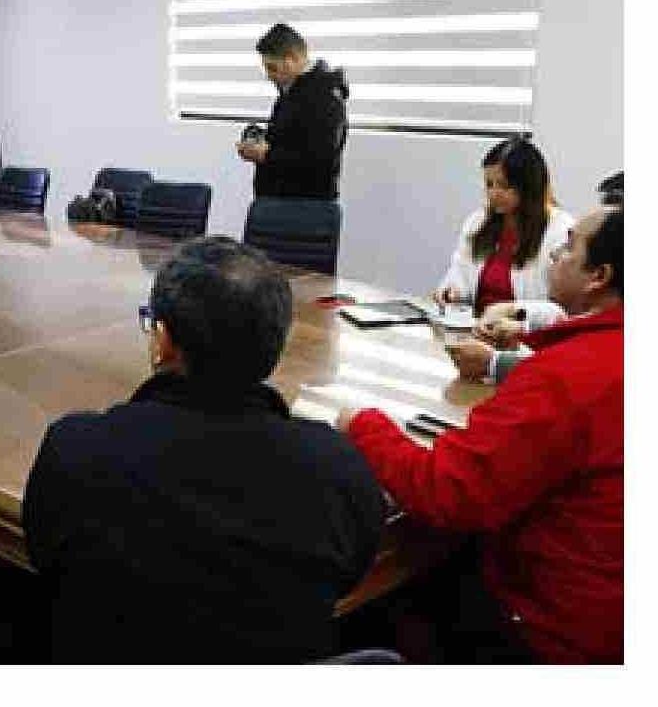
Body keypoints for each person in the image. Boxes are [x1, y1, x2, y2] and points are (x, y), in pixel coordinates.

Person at [22, 237, 389, 662]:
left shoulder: (75, 452)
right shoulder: (337, 471)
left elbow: (43, 554)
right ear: (276, 347)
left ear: (162, 341)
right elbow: (352, 572)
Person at [346, 198, 623, 664]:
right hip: (610, 615)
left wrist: (362, 425)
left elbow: (446, 494)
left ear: (599, 276)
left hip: (546, 625)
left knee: (381, 603)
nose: (556, 256)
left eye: (568, 249)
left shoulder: (568, 375)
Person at [431, 136, 574, 381]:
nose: (494, 193)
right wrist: (450, 291)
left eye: (504, 186)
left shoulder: (560, 230)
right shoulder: (478, 222)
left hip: (523, 347)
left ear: (528, 186)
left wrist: (513, 315)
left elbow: (563, 309)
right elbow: (458, 274)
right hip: (475, 338)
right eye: (489, 184)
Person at [235, 23, 347, 200]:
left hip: (304, 205)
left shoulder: (325, 95)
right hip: (282, 200)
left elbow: (320, 159)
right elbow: (293, 138)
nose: (269, 75)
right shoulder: (294, 90)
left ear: (291, 59)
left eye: (272, 68)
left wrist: (265, 155)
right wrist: (261, 137)